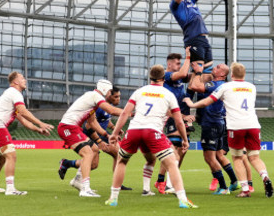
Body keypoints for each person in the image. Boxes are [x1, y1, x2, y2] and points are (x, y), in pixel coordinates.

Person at [104, 64, 197, 209]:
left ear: (150, 77)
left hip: (134, 130)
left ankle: (113, 198)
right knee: (172, 163)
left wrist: (114, 134)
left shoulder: (140, 91)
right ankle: (182, 199)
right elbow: (179, 121)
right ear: (163, 78)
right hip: (152, 131)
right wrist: (185, 139)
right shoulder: (168, 94)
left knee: (122, 161)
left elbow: (124, 114)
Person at [186, 62, 273, 198]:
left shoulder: (226, 87)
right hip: (253, 125)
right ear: (244, 74)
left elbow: (207, 101)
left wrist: (191, 104)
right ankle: (265, 177)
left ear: (231, 74)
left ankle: (245, 189)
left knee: (237, 158)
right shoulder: (252, 87)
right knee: (254, 157)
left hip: (236, 126)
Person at [0, 71, 54, 195]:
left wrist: (38, 130)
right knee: (11, 155)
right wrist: (40, 123)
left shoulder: (10, 94)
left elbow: (23, 119)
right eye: (22, 78)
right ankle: (10, 189)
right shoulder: (15, 93)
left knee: (2, 158)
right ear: (15, 82)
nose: (25, 80)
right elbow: (23, 111)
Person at [56, 79, 123, 197]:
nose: (110, 93)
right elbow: (112, 110)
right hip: (68, 127)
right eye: (110, 91)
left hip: (73, 128)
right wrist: (131, 113)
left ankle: (77, 180)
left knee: (94, 152)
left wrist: (106, 135)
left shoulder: (93, 98)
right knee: (88, 154)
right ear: (105, 90)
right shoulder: (95, 96)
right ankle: (85, 189)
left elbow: (92, 122)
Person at [188, 61, 239, 194]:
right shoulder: (224, 86)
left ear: (222, 74)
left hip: (211, 124)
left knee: (209, 157)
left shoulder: (215, 85)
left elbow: (194, 85)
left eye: (218, 67)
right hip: (220, 123)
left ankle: (223, 187)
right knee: (219, 155)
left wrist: (198, 71)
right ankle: (234, 181)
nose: (214, 68)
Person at [153, 49, 195, 195]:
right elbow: (183, 73)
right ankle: (169, 184)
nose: (179, 65)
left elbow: (192, 77)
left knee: (182, 151)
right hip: (172, 117)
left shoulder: (179, 80)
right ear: (169, 64)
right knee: (173, 152)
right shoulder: (167, 75)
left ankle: (161, 180)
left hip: (183, 117)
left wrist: (200, 69)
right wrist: (189, 56)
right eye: (177, 63)